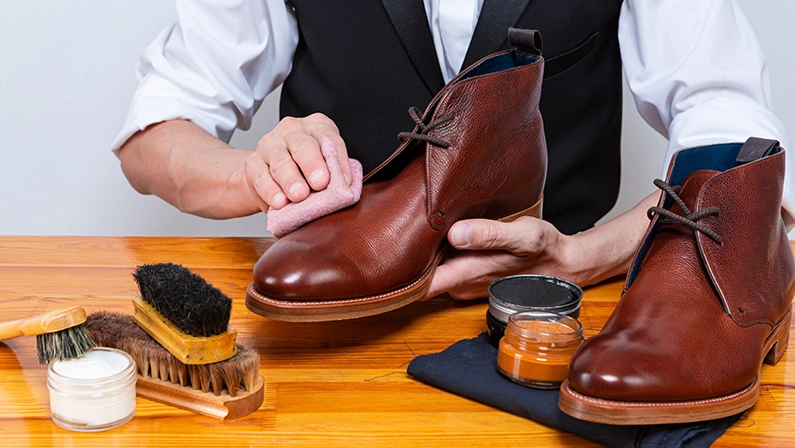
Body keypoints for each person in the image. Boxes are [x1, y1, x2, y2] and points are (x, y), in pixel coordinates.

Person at [113, 0, 793, 301]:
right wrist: (254, 174)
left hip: (562, 308)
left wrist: (586, 257)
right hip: (327, 304)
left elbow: (735, 131)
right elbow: (154, 135)